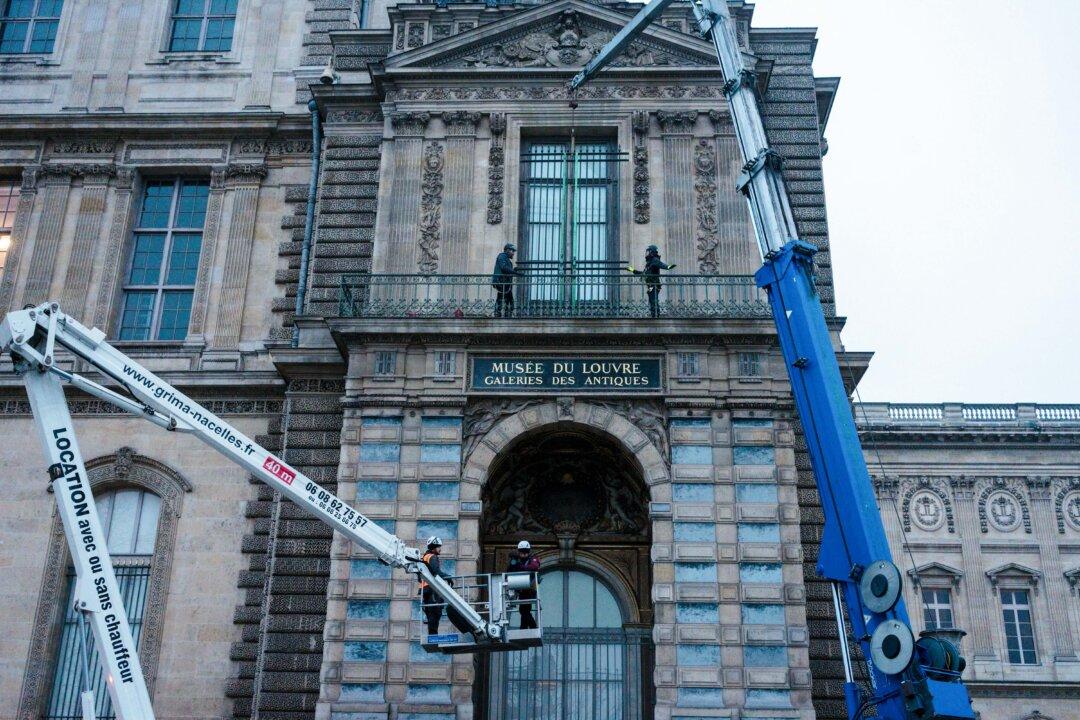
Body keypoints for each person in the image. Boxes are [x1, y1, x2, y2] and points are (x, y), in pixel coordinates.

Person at [627, 245, 676, 318]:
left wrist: (668, 267)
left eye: (648, 252)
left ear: (652, 252)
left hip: (654, 284)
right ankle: (654, 314)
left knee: (653, 299)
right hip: (650, 285)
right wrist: (632, 270)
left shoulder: (654, 260)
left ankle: (656, 315)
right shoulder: (649, 264)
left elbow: (661, 265)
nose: (646, 254)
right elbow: (643, 274)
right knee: (651, 299)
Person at [420, 536, 454, 636]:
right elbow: (436, 572)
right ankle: (433, 636)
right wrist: (448, 577)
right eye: (439, 547)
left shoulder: (424, 557)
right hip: (432, 589)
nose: (440, 549)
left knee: (430, 612)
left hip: (425, 590)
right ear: (434, 547)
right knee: (436, 611)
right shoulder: (432, 557)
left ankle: (432, 635)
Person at [505, 540, 541, 629]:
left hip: (529, 589)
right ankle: (524, 628)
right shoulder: (517, 560)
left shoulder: (533, 558)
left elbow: (534, 567)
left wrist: (521, 567)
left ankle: (532, 627)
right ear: (519, 552)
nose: (524, 554)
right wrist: (513, 563)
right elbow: (509, 571)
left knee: (524, 610)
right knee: (524, 610)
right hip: (521, 589)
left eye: (526, 552)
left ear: (528, 552)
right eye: (522, 552)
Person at [491, 243, 521, 318]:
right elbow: (504, 267)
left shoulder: (506, 259)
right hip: (501, 281)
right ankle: (502, 314)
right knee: (506, 298)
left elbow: (507, 269)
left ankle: (502, 313)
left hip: (505, 282)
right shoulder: (502, 256)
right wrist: (515, 272)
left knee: (505, 298)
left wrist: (514, 270)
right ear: (507, 250)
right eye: (512, 251)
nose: (513, 253)